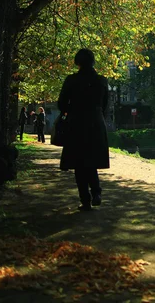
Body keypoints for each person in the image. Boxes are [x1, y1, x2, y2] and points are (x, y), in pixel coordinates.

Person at [58, 48, 109, 211]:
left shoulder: (71, 80)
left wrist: (70, 111)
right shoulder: (102, 81)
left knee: (79, 163)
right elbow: (105, 104)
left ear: (78, 62)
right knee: (92, 160)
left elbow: (61, 103)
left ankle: (85, 200)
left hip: (77, 123)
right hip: (95, 122)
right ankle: (96, 192)